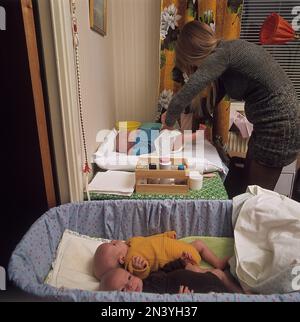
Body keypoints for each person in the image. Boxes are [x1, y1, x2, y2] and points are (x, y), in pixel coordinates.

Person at [161, 20, 300, 198]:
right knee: (246, 188)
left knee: (256, 197)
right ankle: (240, 222)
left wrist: (169, 121)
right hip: (268, 126)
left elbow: (190, 89)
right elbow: (208, 103)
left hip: (280, 127)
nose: (195, 69)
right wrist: (185, 112)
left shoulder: (223, 54)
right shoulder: (226, 61)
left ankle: (248, 224)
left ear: (192, 53)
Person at [93, 230, 229, 280]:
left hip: (179, 247)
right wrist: (139, 267)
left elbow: (151, 239)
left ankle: (217, 262)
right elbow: (142, 275)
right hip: (180, 261)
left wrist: (165, 235)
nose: (114, 241)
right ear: (122, 259)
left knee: (199, 244)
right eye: (113, 244)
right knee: (192, 269)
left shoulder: (132, 242)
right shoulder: (131, 261)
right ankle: (214, 272)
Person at [99, 255, 243, 294]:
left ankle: (246, 295)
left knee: (219, 273)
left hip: (208, 279)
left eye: (129, 278)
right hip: (202, 293)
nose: (131, 284)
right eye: (124, 290)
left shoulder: (149, 278)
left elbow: (165, 270)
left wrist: (180, 262)